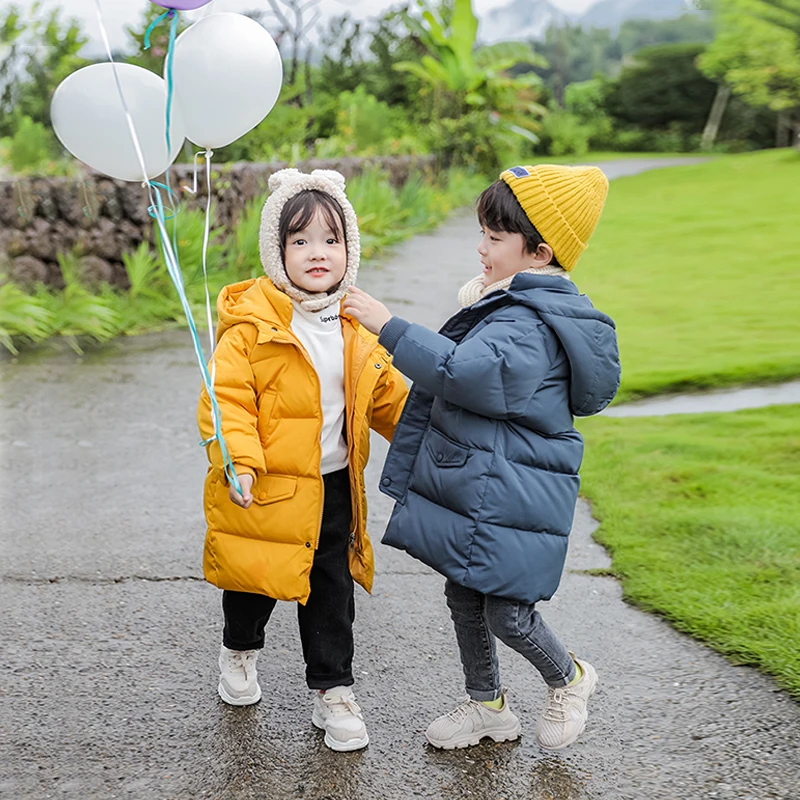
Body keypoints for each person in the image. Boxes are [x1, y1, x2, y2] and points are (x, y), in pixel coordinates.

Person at [343, 164, 620, 751]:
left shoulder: (526, 325)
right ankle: (488, 706)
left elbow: (462, 373)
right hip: (492, 489)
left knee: (509, 613)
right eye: (484, 234)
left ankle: (570, 677)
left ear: (540, 252)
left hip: (513, 495)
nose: (481, 247)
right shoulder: (516, 306)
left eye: (495, 238)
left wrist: (388, 326)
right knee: (464, 595)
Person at [198, 168, 408, 752]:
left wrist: (447, 432)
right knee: (253, 580)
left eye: (331, 239)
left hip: (335, 484)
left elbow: (390, 400)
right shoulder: (250, 330)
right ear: (277, 250)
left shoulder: (356, 328)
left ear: (349, 250)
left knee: (330, 588)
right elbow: (227, 404)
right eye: (300, 241)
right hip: (263, 484)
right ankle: (239, 651)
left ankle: (332, 690)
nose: (318, 253)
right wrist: (239, 461)